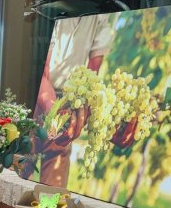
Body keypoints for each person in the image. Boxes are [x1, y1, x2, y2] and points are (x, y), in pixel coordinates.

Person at [24, 13, 113, 186]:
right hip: (35, 95)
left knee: (53, 189)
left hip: (67, 102)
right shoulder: (53, 10)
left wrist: (79, 112)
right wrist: (55, 112)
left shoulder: (101, 16)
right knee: (21, 167)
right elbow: (42, 69)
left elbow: (92, 72)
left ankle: (48, 202)